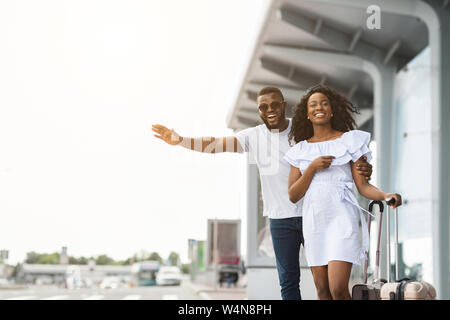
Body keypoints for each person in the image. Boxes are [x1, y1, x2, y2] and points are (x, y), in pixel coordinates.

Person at [152, 87, 373, 300]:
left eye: (275, 104)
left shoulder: (302, 132)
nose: (270, 110)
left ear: (284, 105)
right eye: (263, 107)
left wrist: (364, 167)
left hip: (314, 216)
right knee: (288, 282)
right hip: (280, 219)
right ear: (258, 110)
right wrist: (180, 141)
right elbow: (216, 144)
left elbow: (335, 148)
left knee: (324, 285)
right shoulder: (253, 136)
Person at [284, 84, 402, 300]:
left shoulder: (350, 141)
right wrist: (311, 168)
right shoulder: (299, 150)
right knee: (322, 291)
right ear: (307, 114)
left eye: (324, 103)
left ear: (332, 110)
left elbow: (364, 186)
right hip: (314, 222)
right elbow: (293, 195)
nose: (319, 107)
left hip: (341, 219)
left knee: (338, 288)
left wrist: (386, 195)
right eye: (313, 104)